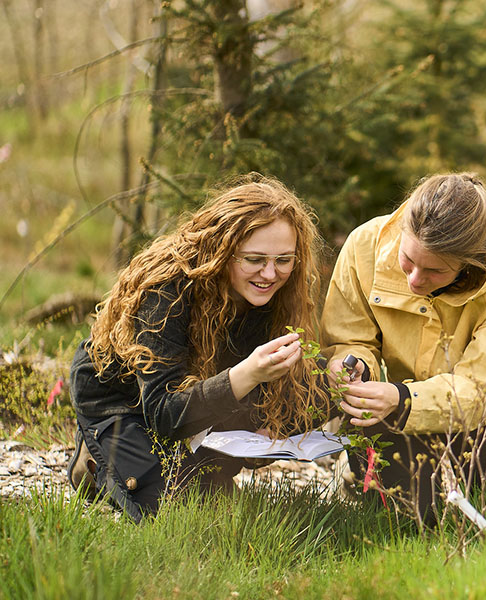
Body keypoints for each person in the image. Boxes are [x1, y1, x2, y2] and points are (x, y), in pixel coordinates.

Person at [66, 174, 330, 523]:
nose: (270, 274)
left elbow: (285, 395)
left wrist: (332, 388)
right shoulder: (166, 290)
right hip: (125, 402)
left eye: (284, 260)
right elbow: (162, 413)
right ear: (223, 251)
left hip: (196, 400)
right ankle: (96, 457)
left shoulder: (280, 297)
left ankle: (185, 468)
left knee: (215, 504)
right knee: (175, 513)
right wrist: (248, 373)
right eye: (254, 259)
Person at [321, 172, 486, 525]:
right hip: (390, 409)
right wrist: (352, 365)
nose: (414, 280)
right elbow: (349, 338)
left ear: (471, 264)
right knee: (412, 516)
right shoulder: (364, 245)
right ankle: (352, 474)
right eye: (407, 261)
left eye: (434, 271)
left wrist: (402, 399)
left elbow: (482, 392)